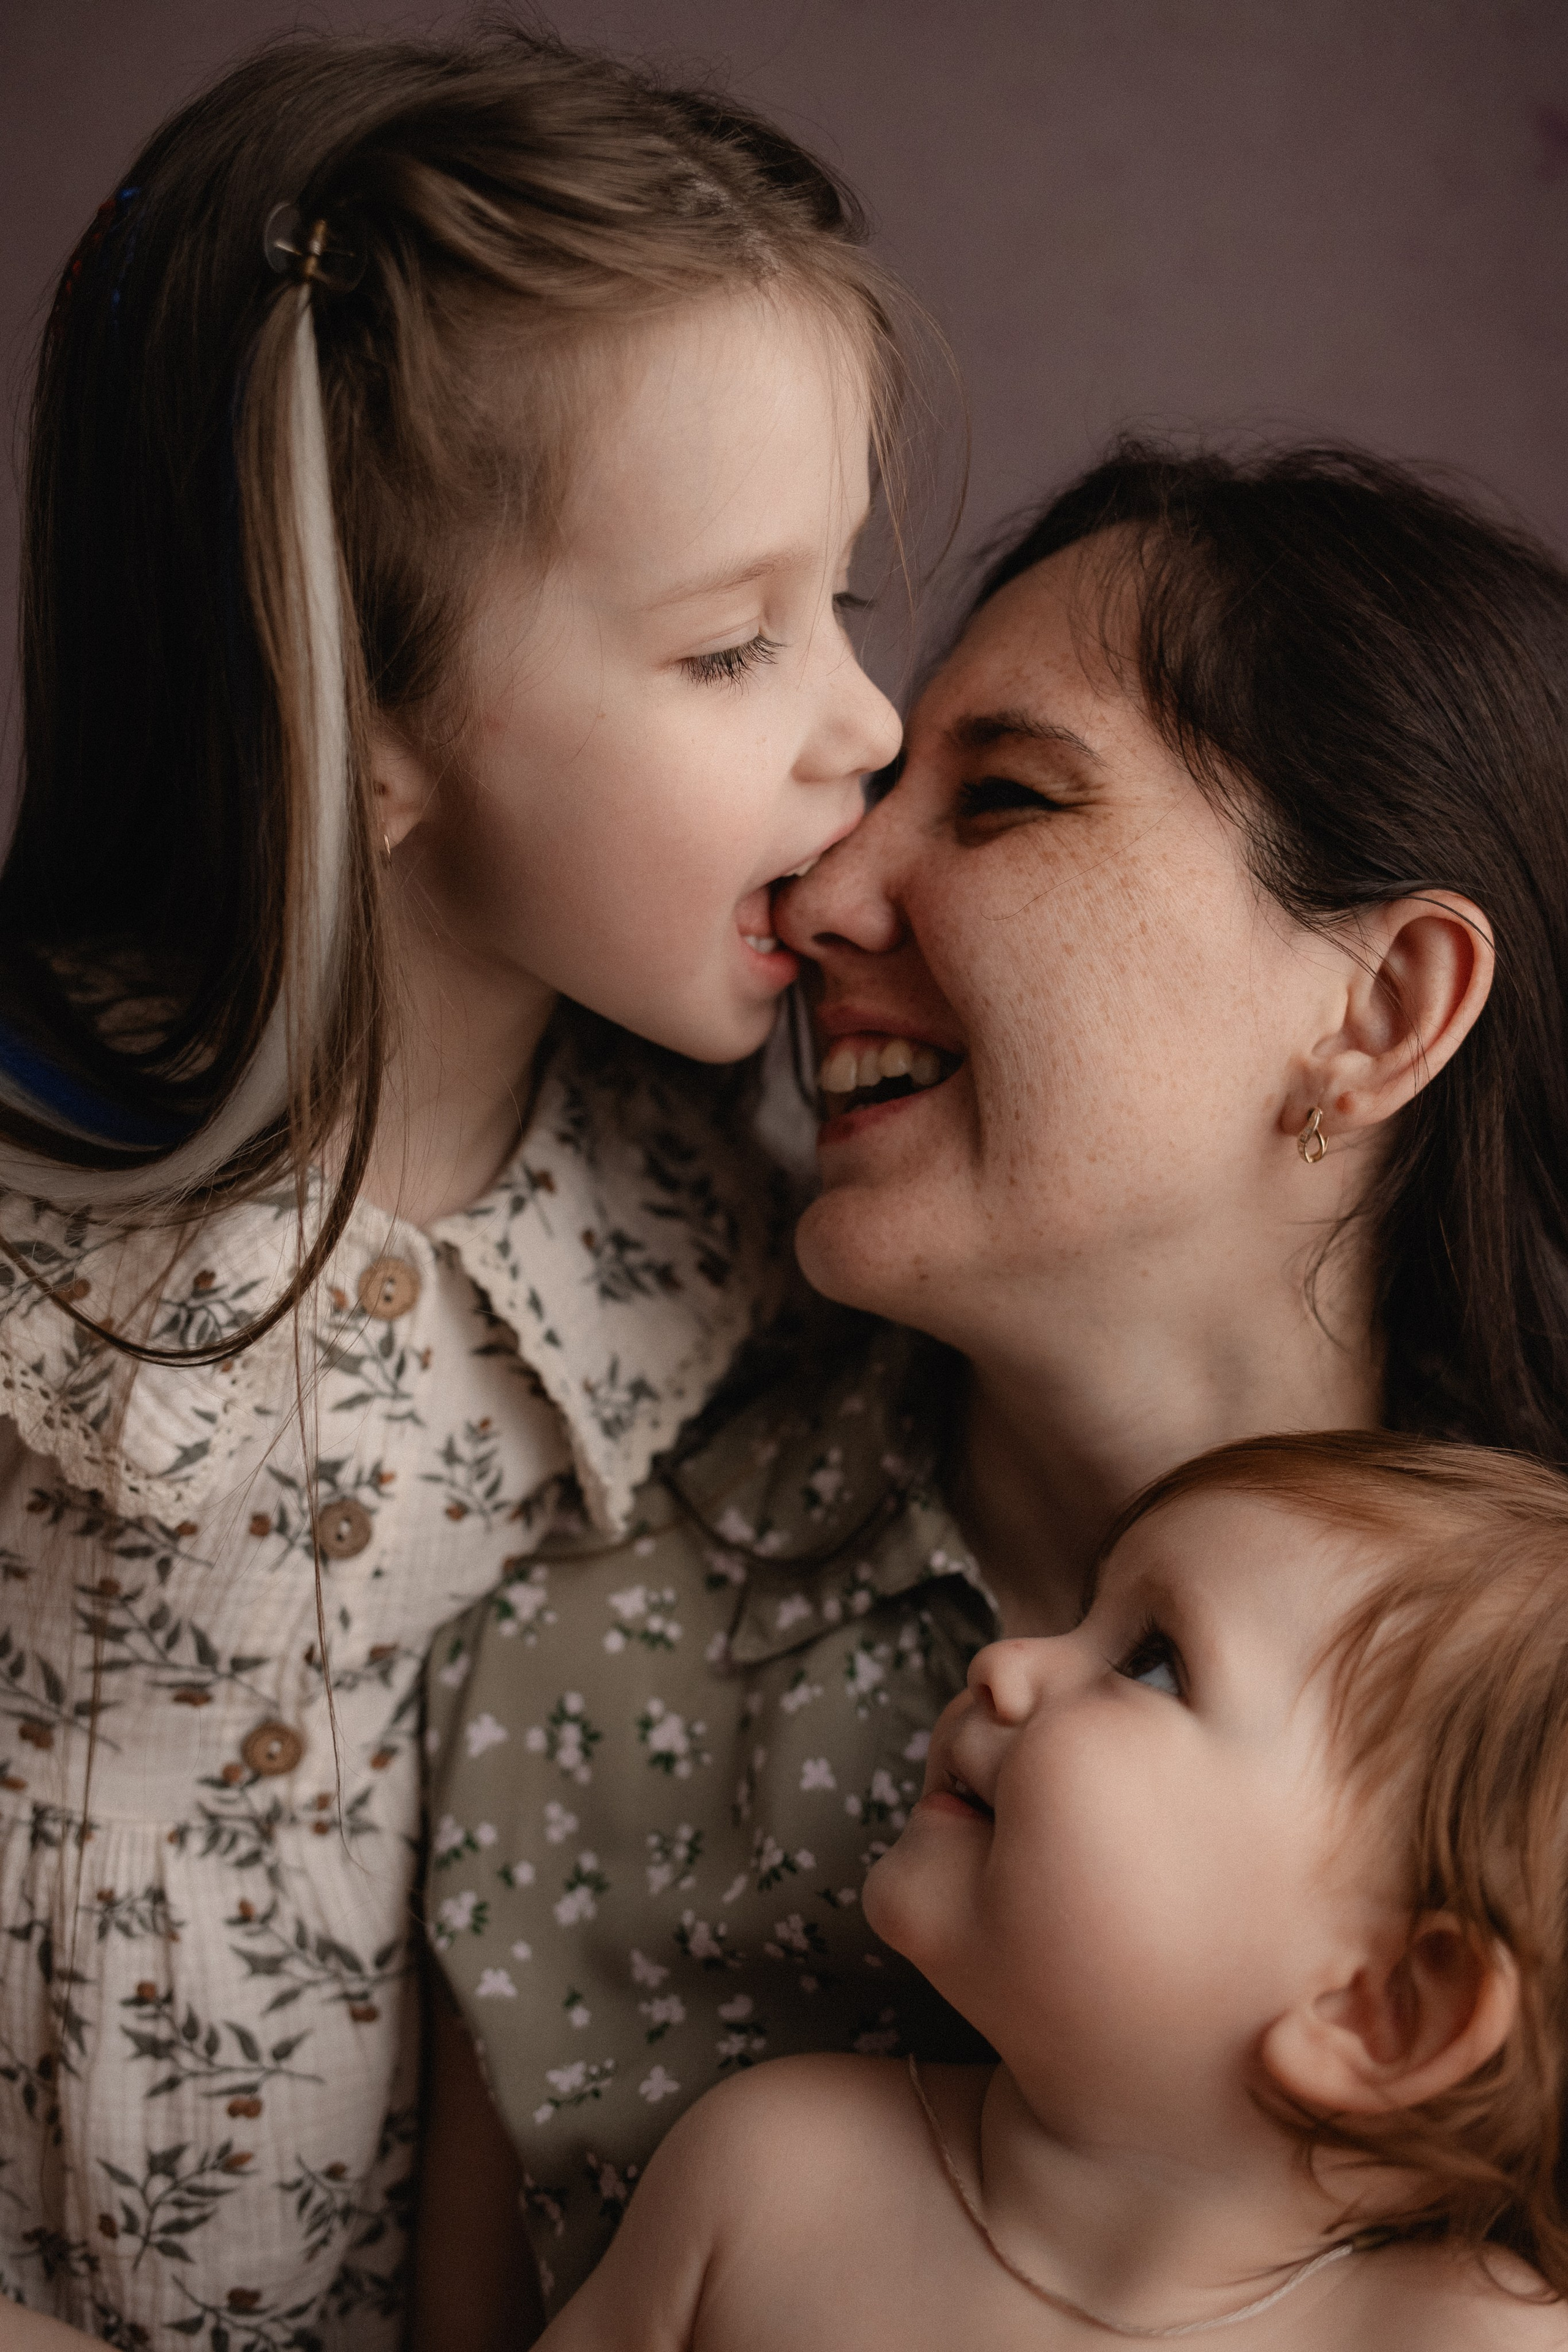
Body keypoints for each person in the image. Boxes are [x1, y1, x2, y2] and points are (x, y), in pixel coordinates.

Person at [421, 442, 1568, 2337]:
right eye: (872, 797)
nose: (814, 892)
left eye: (1010, 799)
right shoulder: (583, 1648)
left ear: (1375, 1010)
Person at [0, 28, 905, 2348]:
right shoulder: (36, 1232)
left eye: (846, 606)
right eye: (730, 642)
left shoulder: (701, 1233)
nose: (866, 728)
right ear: (359, 715)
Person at [532, 1431, 1568, 2350]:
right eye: (1083, 1612)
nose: (1004, 1660)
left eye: (1152, 1663)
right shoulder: (770, 2179)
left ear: (1380, 2011)